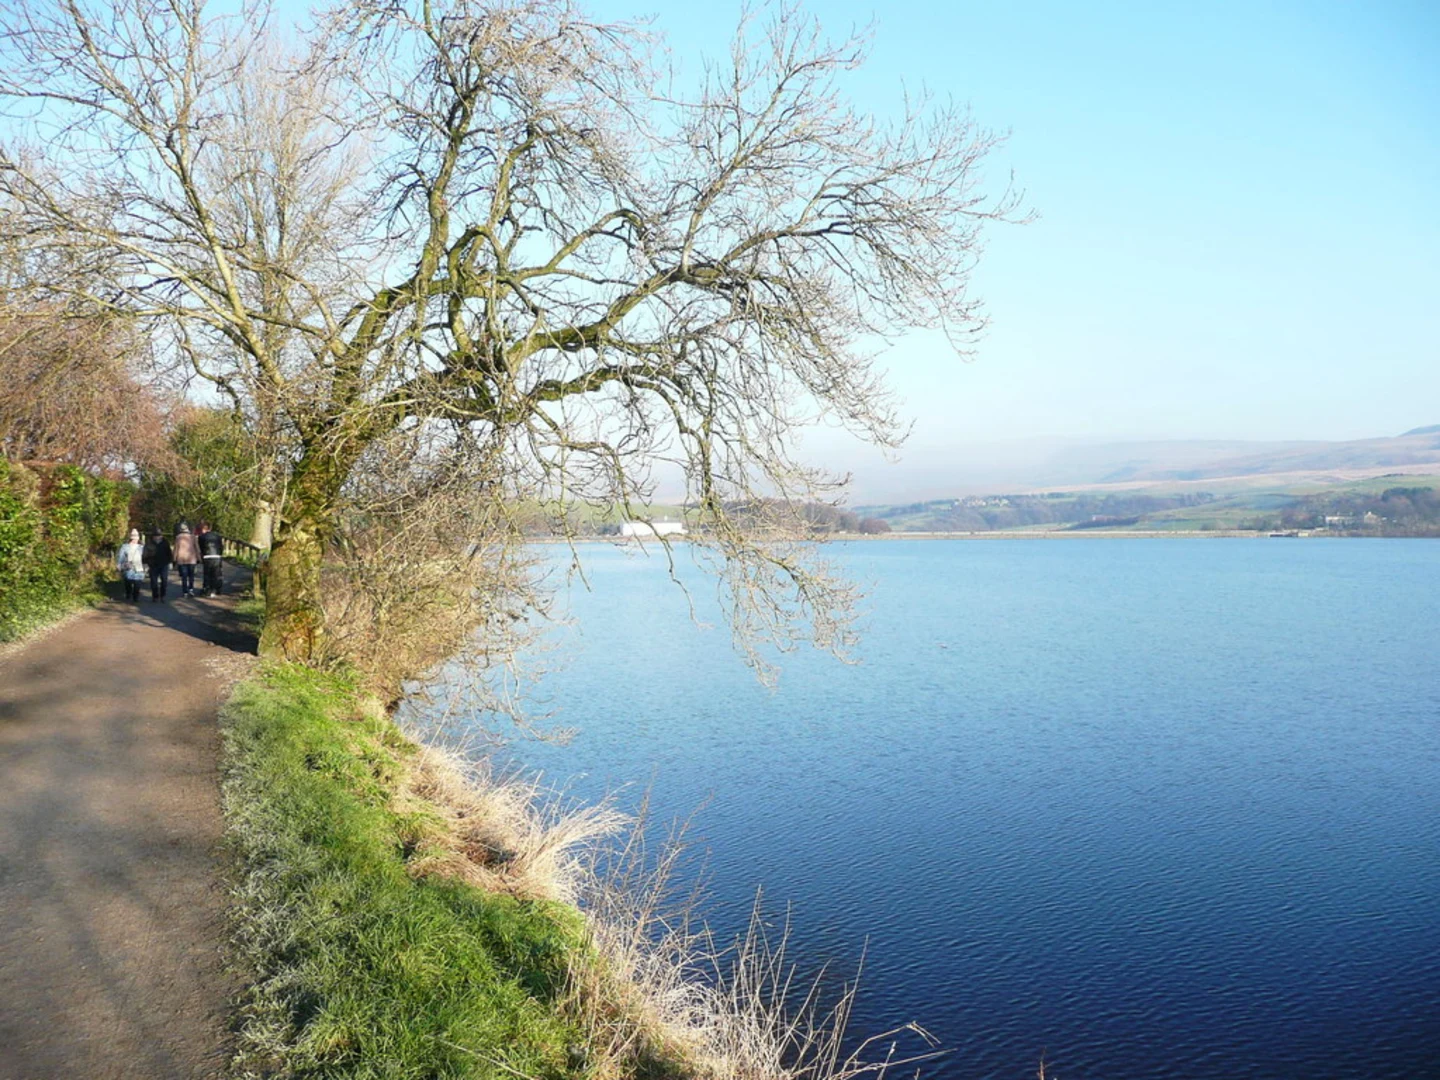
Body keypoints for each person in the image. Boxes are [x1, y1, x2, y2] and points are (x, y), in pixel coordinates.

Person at [116, 528, 146, 602]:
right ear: (130, 538)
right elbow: (121, 556)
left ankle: (136, 597)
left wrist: (147, 565)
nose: (134, 539)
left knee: (137, 583)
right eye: (133, 537)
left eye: (136, 537)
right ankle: (128, 593)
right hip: (128, 567)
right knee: (128, 581)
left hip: (139, 567)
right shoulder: (125, 547)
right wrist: (119, 564)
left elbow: (145, 557)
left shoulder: (141, 547)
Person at [197, 520, 224, 597]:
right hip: (217, 556)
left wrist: (202, 556)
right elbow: (221, 546)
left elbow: (201, 547)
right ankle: (216, 589)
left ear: (204, 529)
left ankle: (207, 589)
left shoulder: (201, 537)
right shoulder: (218, 536)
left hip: (207, 556)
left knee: (207, 574)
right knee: (216, 573)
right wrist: (220, 554)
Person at [144, 528, 173, 602]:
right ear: (153, 536)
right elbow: (145, 554)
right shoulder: (149, 543)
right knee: (153, 581)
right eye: (156, 536)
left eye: (159, 535)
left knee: (164, 580)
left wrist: (171, 562)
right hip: (153, 565)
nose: (158, 537)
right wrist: (146, 563)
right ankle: (155, 596)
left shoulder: (165, 542)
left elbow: (169, 552)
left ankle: (163, 595)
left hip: (164, 564)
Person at [173, 522, 199, 597]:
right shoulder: (193, 537)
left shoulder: (178, 537)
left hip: (181, 559)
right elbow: (197, 548)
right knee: (191, 575)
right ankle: (191, 589)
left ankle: (185, 592)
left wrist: (174, 559)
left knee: (184, 576)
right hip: (192, 559)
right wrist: (199, 557)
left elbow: (176, 549)